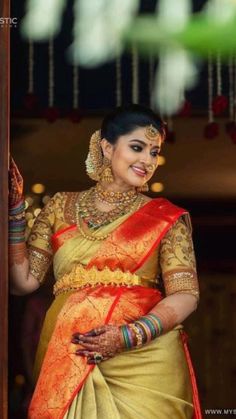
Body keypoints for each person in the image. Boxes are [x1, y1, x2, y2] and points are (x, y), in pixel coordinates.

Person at [9, 104, 202, 419]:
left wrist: (128, 336)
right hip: (69, 352)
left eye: (154, 152)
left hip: (144, 361)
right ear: (107, 147)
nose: (147, 160)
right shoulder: (60, 207)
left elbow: (186, 294)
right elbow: (22, 282)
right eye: (137, 147)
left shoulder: (165, 218)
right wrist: (15, 212)